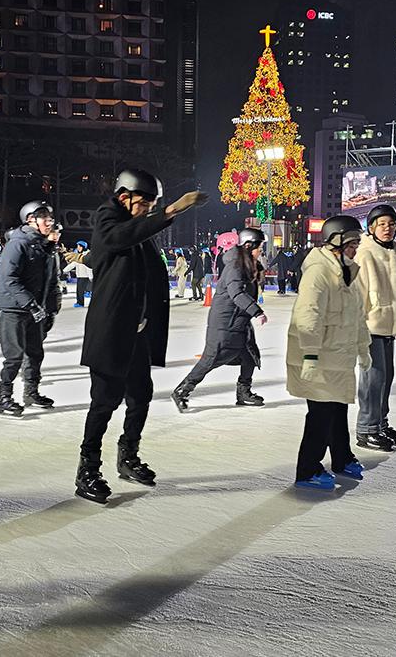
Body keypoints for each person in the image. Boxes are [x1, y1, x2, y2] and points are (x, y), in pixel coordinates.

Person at [74, 169, 207, 504]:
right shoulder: (107, 221)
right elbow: (118, 239)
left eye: (153, 204)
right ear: (124, 197)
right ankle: (87, 470)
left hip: (137, 334)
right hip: (110, 333)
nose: (148, 209)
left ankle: (127, 455)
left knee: (140, 396)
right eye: (144, 202)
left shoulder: (139, 229)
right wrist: (171, 210)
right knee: (104, 403)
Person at [288, 215, 370, 490]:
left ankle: (342, 458)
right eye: (352, 242)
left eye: (357, 242)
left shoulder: (348, 272)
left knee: (338, 410)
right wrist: (310, 354)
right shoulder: (319, 271)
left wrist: (363, 348)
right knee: (321, 415)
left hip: (339, 356)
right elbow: (307, 315)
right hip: (320, 357)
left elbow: (357, 316)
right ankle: (308, 469)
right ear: (335, 241)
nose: (356, 248)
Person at [171, 228, 268, 412]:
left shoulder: (247, 264)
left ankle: (244, 393)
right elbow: (236, 293)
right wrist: (257, 312)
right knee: (210, 360)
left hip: (239, 321)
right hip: (225, 323)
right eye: (259, 247)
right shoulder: (235, 267)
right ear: (248, 246)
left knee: (250, 356)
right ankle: (182, 391)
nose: (261, 251)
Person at [355, 205, 396, 452]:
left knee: (386, 378)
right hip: (369, 327)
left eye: (391, 223)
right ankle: (366, 429)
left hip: (389, 329)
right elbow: (358, 297)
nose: (387, 228)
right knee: (373, 380)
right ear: (371, 228)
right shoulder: (364, 255)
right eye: (382, 223)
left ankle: (380, 423)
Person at [0, 201, 61, 415]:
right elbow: (8, 278)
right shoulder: (18, 243)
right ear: (30, 219)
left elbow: (49, 281)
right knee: (14, 356)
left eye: (50, 218)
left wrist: (50, 309)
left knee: (35, 352)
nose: (49, 222)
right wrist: (30, 304)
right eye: (44, 218)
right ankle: (4, 397)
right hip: (14, 308)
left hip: (35, 309)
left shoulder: (44, 246)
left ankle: (31, 392)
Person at [65, 240, 94, 307]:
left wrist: (91, 276)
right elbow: (73, 264)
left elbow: (89, 267)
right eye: (77, 246)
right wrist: (64, 270)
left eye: (79, 246)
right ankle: (80, 302)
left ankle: (81, 302)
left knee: (82, 290)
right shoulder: (79, 255)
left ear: (83, 247)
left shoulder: (86, 255)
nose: (78, 248)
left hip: (85, 276)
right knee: (79, 290)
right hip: (80, 275)